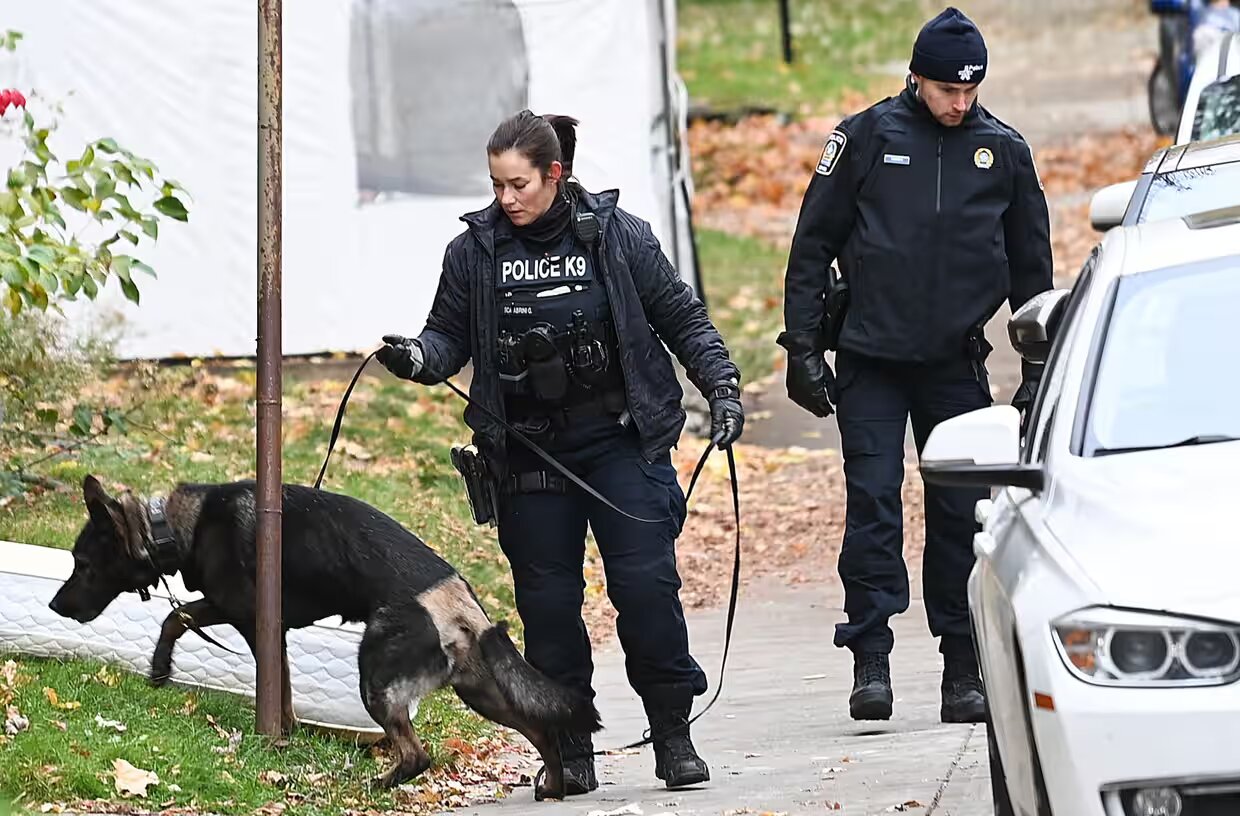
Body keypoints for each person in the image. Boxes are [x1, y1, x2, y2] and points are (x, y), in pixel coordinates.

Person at [376, 110, 744, 796]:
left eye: (518, 184)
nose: (506, 198)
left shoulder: (616, 236)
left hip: (620, 443)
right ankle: (570, 750)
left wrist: (722, 388)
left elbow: (682, 317)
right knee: (548, 610)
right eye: (496, 185)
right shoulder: (475, 252)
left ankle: (673, 734)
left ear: (555, 174)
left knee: (646, 592)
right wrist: (417, 357)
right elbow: (446, 337)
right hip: (528, 454)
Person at [778, 7, 1052, 724]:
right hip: (870, 358)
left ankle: (962, 668)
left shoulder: (1003, 151)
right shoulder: (866, 137)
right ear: (916, 78)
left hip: (953, 363)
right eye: (946, 90)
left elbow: (1032, 268)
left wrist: (1037, 369)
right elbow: (812, 245)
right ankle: (870, 656)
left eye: (970, 90)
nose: (959, 103)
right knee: (873, 504)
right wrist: (802, 346)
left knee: (960, 514)